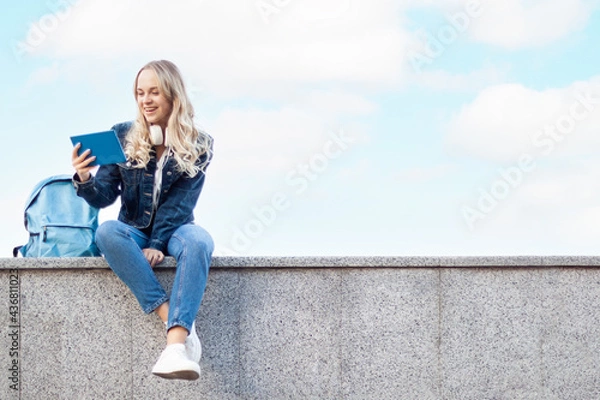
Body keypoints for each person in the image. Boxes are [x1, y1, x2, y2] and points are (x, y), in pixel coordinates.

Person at [71, 60, 214, 381]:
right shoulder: (122, 135)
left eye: (154, 92)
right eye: (139, 93)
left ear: (173, 96)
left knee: (200, 240)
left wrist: (157, 245)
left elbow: (180, 204)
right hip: (131, 228)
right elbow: (104, 196)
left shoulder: (200, 145)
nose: (145, 100)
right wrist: (83, 178)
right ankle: (176, 325)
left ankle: (174, 346)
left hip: (176, 228)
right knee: (107, 231)